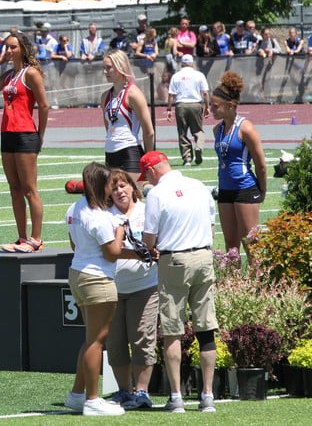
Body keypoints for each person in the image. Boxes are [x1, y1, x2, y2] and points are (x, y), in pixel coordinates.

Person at [139, 150, 218, 413]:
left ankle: (176, 397)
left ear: (151, 171)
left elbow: (149, 238)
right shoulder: (199, 186)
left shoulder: (157, 194)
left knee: (172, 329)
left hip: (175, 260)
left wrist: (153, 246)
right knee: (206, 328)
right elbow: (212, 226)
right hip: (204, 255)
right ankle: (207, 395)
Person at [63, 162, 127, 417]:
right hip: (97, 279)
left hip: (77, 273)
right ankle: (92, 399)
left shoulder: (74, 207)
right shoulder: (99, 217)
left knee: (90, 339)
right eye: (110, 184)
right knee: (97, 341)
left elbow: (72, 242)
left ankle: (77, 395)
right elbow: (112, 253)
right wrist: (120, 230)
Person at [0, 32, 49, 252]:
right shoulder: (10, 75)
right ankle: (21, 238)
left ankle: (36, 239)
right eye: (6, 48)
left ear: (23, 48)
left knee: (30, 189)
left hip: (25, 134)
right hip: (7, 134)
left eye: (12, 47)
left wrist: (40, 135)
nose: (8, 52)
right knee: (14, 189)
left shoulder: (32, 74)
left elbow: (44, 105)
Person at [105, 169, 158, 410]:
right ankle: (123, 391)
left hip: (145, 286)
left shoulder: (147, 211)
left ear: (132, 187)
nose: (119, 191)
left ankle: (142, 391)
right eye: (114, 188)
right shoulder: (106, 216)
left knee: (142, 339)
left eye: (123, 185)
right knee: (115, 342)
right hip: (112, 289)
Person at [210, 72, 267, 264]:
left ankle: (259, 284)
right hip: (225, 190)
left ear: (230, 106)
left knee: (251, 243)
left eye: (215, 106)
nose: (211, 109)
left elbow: (261, 164)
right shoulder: (216, 129)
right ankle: (233, 286)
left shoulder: (246, 128)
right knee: (230, 246)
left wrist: (262, 190)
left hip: (245, 188)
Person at [101, 50, 154, 179]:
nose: (105, 72)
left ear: (120, 67)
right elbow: (108, 127)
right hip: (110, 152)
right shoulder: (105, 96)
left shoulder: (133, 94)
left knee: (132, 197)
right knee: (112, 197)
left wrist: (149, 159)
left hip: (130, 153)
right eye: (104, 68)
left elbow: (149, 131)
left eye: (109, 68)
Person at [166, 54, 210, 166]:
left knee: (182, 133)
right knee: (198, 131)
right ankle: (199, 147)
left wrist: (169, 109)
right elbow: (205, 93)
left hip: (181, 105)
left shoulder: (176, 76)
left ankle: (187, 159)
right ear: (192, 63)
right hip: (196, 104)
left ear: (182, 63)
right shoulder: (199, 75)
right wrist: (207, 107)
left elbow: (171, 94)